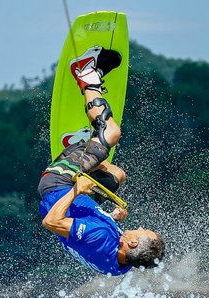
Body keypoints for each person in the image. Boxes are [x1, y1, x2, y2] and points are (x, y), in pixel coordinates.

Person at [38, 46, 165, 275]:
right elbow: (89, 242)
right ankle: (89, 148)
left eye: (142, 230)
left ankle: (86, 73)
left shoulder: (98, 236)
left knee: (112, 133)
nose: (139, 227)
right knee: (117, 175)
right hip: (79, 205)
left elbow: (51, 222)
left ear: (133, 243)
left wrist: (77, 190)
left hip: (58, 185)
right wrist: (110, 216)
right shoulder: (122, 265)